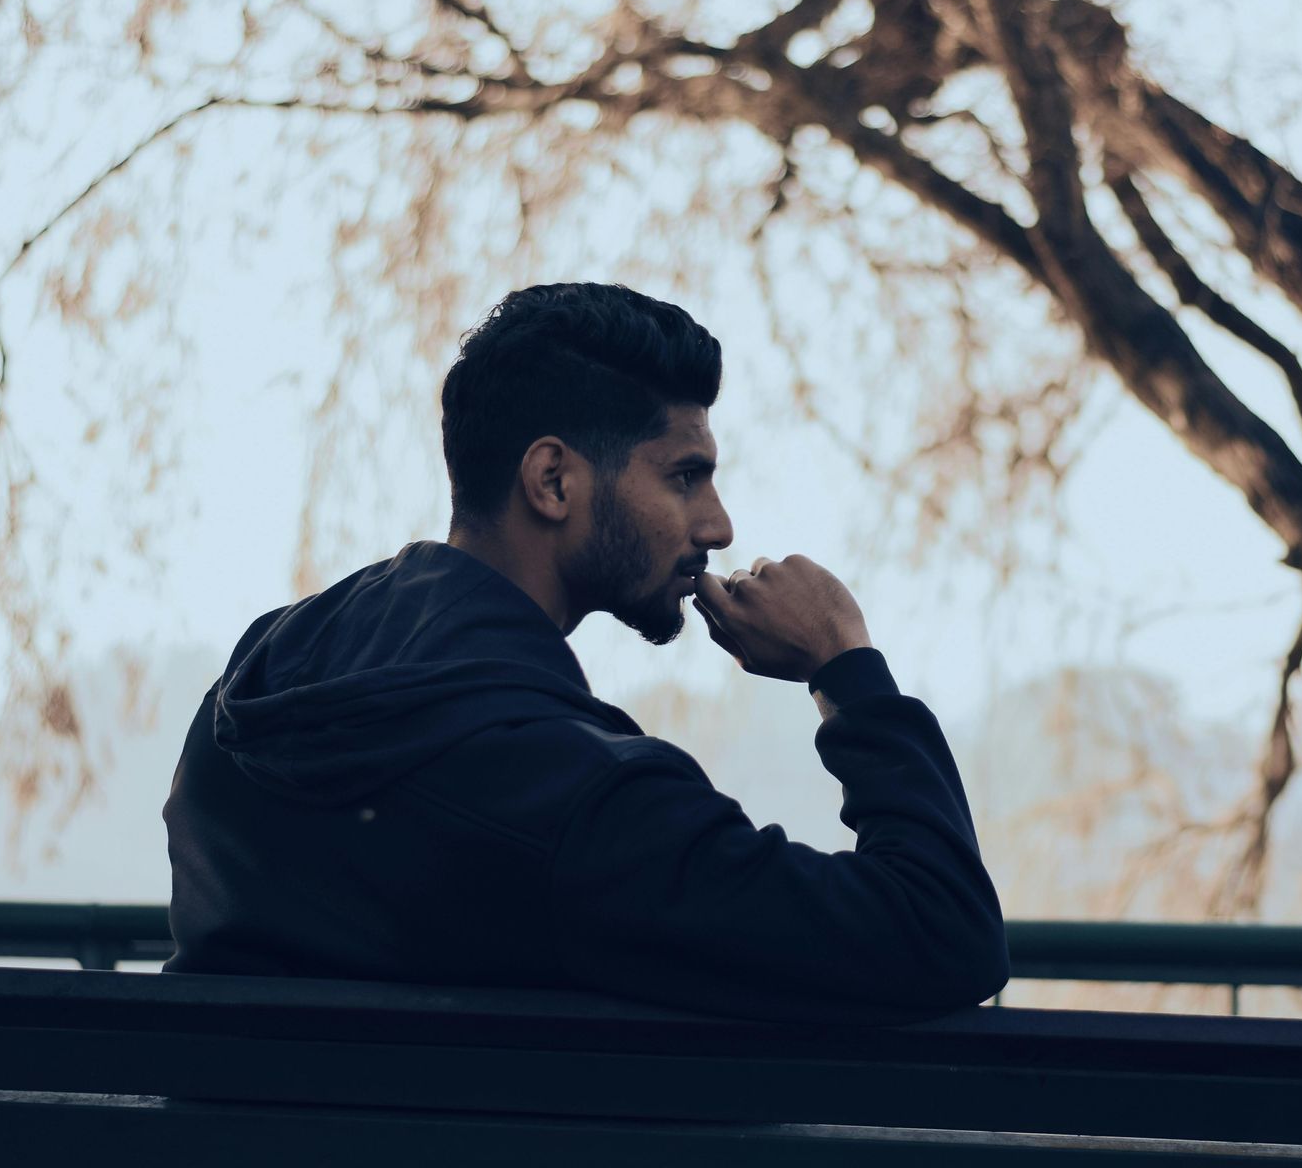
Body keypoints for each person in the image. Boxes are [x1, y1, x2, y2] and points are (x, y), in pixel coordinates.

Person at [160, 281, 1010, 1025]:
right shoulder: (581, 803)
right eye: (684, 475)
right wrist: (846, 667)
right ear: (554, 482)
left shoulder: (252, 689)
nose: (717, 526)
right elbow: (941, 932)